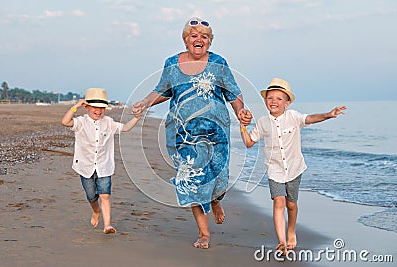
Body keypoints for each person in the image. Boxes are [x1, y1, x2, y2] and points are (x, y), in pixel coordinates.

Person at [132, 17, 252, 249]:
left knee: (218, 179)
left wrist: (241, 111)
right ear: (186, 40)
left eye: (204, 37)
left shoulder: (218, 62)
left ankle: (216, 199)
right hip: (182, 134)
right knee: (190, 180)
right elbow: (162, 90)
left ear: (209, 42)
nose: (199, 39)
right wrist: (145, 103)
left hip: (216, 133)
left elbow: (233, 92)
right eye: (194, 36)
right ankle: (204, 233)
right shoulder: (171, 63)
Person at [240, 78, 346, 255]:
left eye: (279, 98)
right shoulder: (263, 122)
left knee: (291, 204)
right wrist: (243, 128)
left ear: (287, 103)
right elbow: (249, 142)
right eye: (270, 98)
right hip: (274, 170)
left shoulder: (294, 117)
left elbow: (310, 118)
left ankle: (291, 230)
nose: (274, 101)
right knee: (279, 202)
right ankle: (282, 241)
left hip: (295, 168)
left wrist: (328, 114)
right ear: (265, 101)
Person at [62, 88, 140, 234]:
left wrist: (136, 118)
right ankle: (96, 211)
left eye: (102, 108)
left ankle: (107, 225)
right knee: (91, 196)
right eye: (94, 107)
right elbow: (65, 121)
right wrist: (75, 106)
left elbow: (125, 128)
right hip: (85, 167)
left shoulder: (108, 122)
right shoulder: (80, 122)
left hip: (104, 166)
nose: (98, 110)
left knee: (105, 195)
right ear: (87, 107)